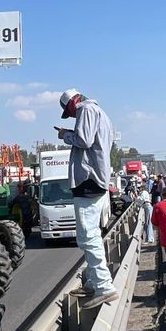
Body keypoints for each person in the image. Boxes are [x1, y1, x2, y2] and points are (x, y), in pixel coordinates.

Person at [55, 89, 119, 306]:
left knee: (86, 236)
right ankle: (93, 281)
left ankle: (104, 286)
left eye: (69, 112)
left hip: (88, 180)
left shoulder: (86, 109)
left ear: (73, 103)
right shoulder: (100, 112)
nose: (72, 115)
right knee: (93, 233)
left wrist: (65, 135)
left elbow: (83, 140)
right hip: (97, 179)